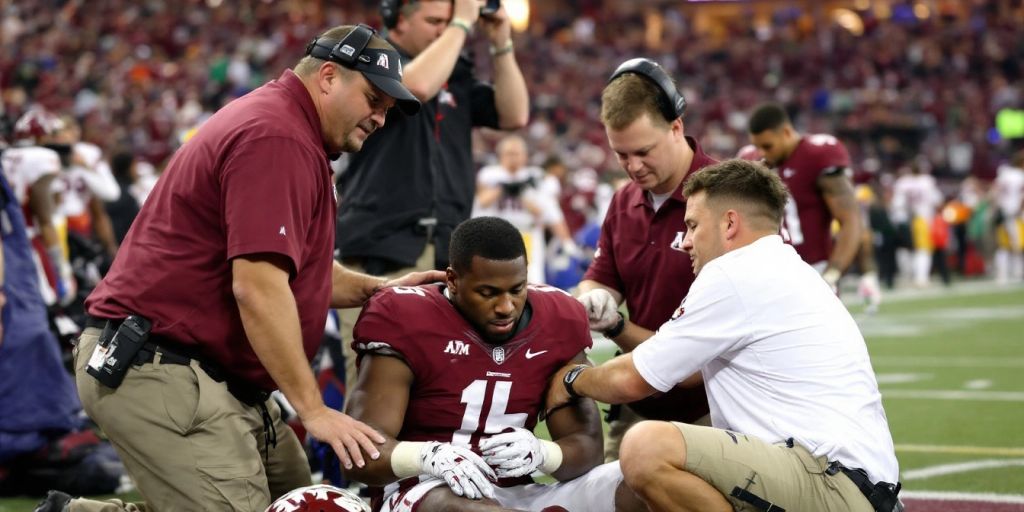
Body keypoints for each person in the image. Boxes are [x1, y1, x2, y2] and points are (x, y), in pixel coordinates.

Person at [52, 25, 444, 512]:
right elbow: (258, 287)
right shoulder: (278, 137)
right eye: (373, 99)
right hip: (162, 364)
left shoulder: (287, 128)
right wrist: (314, 409)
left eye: (387, 108)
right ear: (327, 77)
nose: (381, 119)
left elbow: (300, 274)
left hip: (202, 370)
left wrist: (380, 290)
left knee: (304, 501)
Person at [545, 159, 902, 512]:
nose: (685, 242)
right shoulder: (784, 267)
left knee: (646, 446)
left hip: (831, 481)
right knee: (627, 493)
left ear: (730, 223)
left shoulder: (735, 273)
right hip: (847, 482)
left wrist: (572, 379)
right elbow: (685, 374)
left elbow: (634, 380)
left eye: (693, 225)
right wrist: (618, 328)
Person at [344, 217, 640, 512]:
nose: (506, 307)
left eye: (516, 290)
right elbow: (361, 455)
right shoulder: (404, 316)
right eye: (487, 293)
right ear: (453, 280)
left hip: (520, 490)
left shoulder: (558, 318)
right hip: (426, 491)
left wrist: (543, 454)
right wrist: (427, 457)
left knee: (640, 479)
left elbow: (587, 449)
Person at [336, 0, 529, 408]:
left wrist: (500, 42)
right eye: (433, 21)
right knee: (375, 378)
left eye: (448, 21)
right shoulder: (373, 61)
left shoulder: (454, 73)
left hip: (445, 246)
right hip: (382, 246)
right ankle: (366, 472)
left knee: (442, 379)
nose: (445, 30)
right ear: (397, 20)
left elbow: (515, 114)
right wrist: (462, 20)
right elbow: (416, 87)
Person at [575, 58, 715, 461]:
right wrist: (594, 297)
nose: (633, 166)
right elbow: (602, 277)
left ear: (677, 126)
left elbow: (690, 363)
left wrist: (616, 325)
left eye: (643, 151)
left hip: (714, 410)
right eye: (621, 154)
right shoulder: (623, 200)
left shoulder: (725, 196)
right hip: (640, 400)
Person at [747, 103, 863, 290]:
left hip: (815, 269)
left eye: (767, 146)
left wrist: (833, 273)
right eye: (757, 146)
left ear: (786, 132)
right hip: (770, 275)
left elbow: (851, 219)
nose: (761, 153)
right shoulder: (750, 160)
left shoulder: (817, 154)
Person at [472, 134, 575, 284]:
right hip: (495, 234)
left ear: (525, 156)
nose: (513, 157)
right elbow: (481, 201)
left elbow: (546, 212)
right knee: (492, 278)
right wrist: (503, 188)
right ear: (500, 155)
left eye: (516, 153)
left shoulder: (536, 177)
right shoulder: (490, 174)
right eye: (509, 153)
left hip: (527, 234)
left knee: (532, 279)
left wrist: (522, 193)